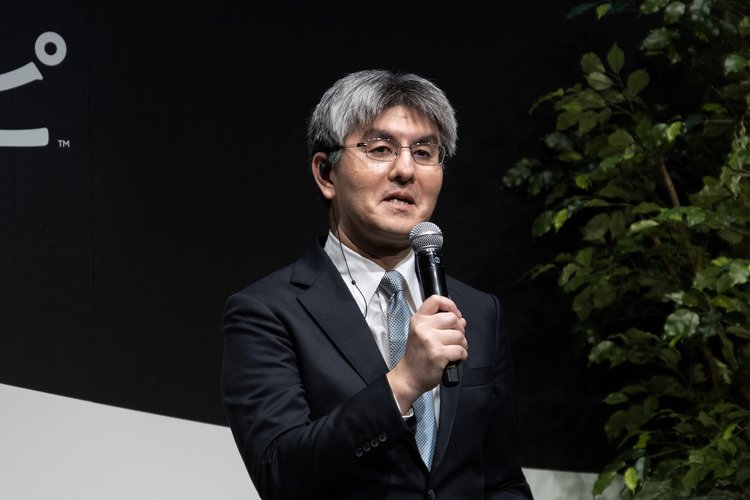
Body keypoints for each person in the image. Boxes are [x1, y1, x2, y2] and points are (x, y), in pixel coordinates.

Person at [221, 69, 533, 499]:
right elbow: (280, 473)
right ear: (326, 174)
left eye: (424, 152)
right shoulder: (267, 312)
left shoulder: (478, 311)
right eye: (381, 149)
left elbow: (502, 479)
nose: (406, 170)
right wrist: (404, 382)